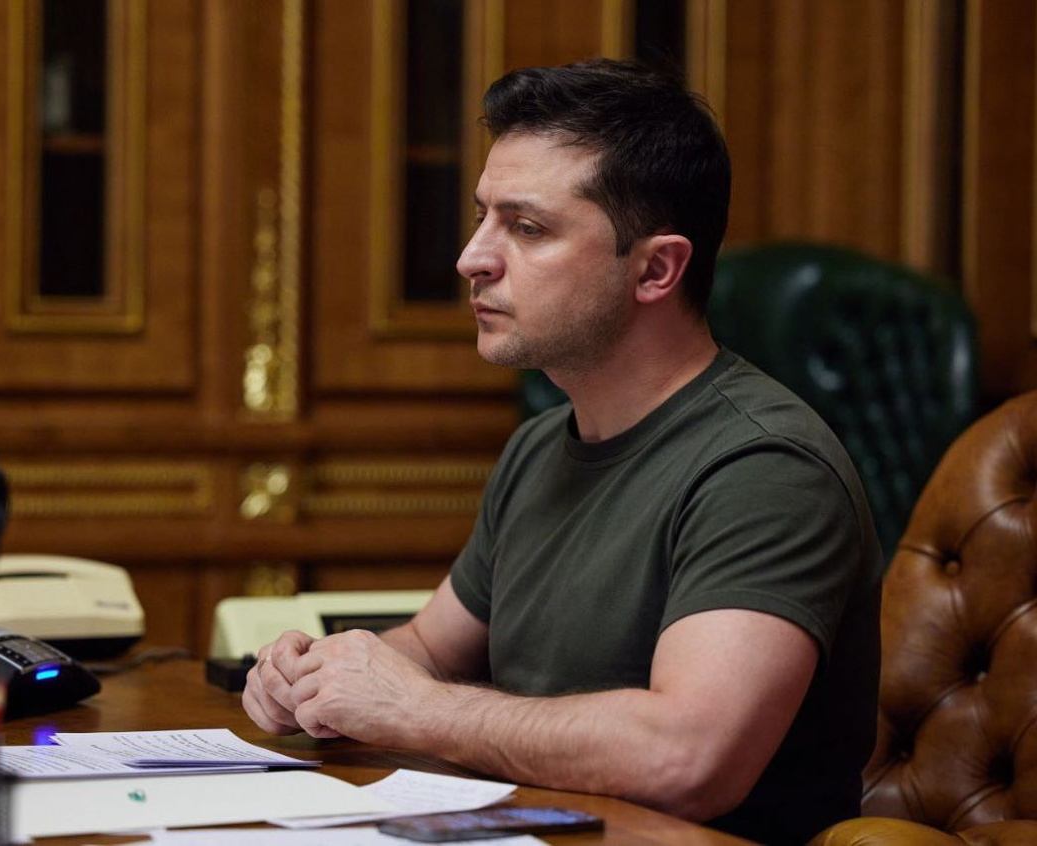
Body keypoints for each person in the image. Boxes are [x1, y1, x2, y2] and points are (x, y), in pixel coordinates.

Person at [243, 58, 883, 845]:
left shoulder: (765, 469)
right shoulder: (541, 445)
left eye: (527, 228)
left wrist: (414, 709)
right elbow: (429, 649)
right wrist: (319, 674)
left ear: (656, 269)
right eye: (483, 217)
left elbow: (689, 759)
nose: (472, 258)